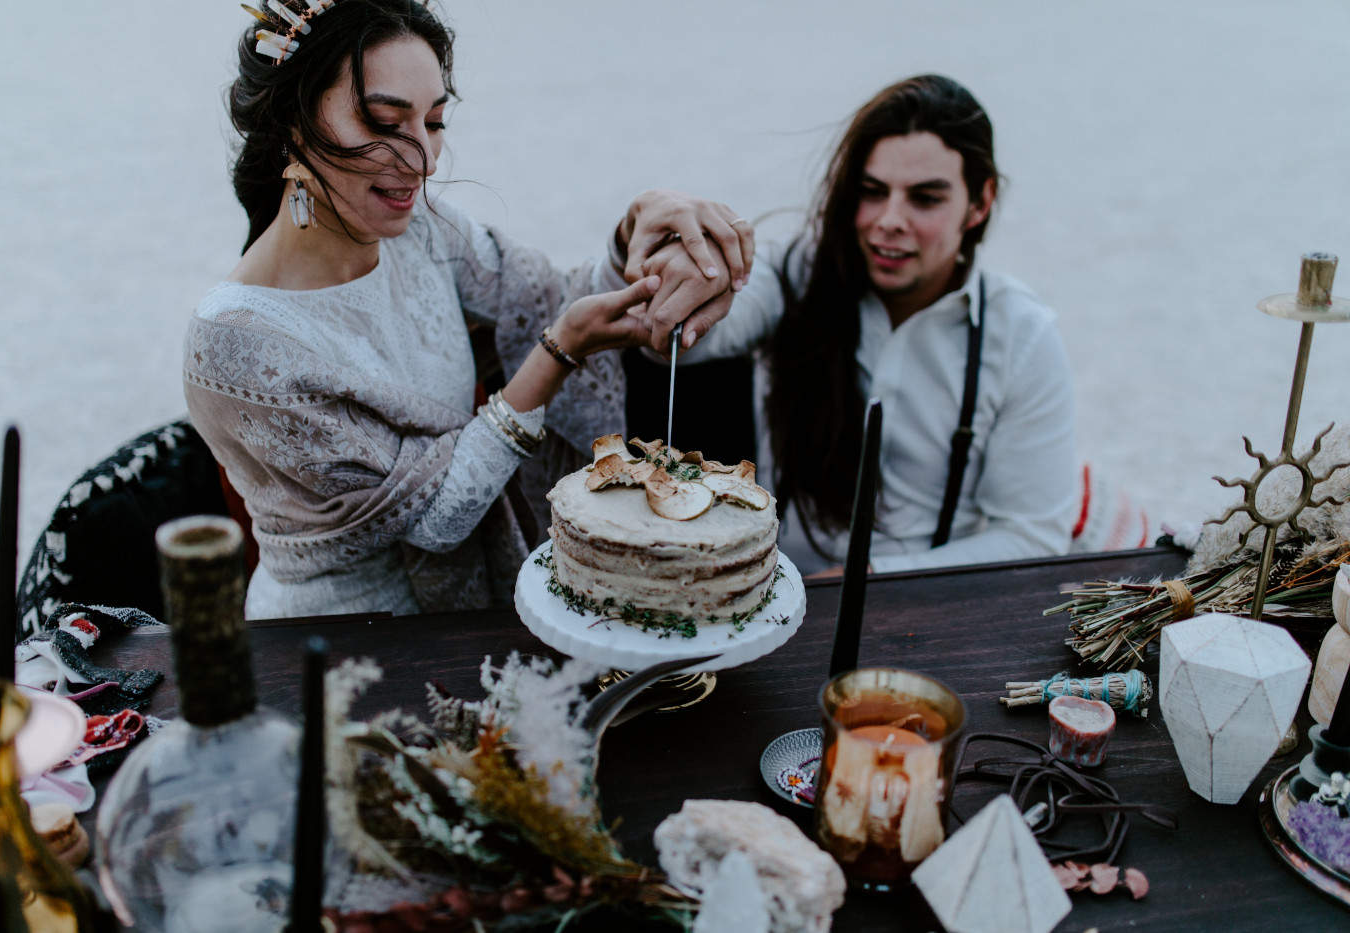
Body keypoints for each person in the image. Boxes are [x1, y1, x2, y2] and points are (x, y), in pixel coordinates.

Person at [183, 0, 752, 618]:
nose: (423, 161)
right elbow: (433, 517)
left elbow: (545, 299)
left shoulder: (422, 229)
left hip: (473, 617)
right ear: (292, 120)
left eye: (435, 122)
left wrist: (640, 236)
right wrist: (556, 354)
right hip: (330, 647)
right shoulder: (235, 340)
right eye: (383, 120)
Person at [635, 74, 1077, 576]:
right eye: (872, 191)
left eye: (925, 198)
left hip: (933, 613)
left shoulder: (1022, 335)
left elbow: (1032, 536)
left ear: (980, 203)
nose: (889, 219)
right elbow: (671, 342)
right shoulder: (796, 273)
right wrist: (656, 240)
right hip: (781, 604)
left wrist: (861, 582)